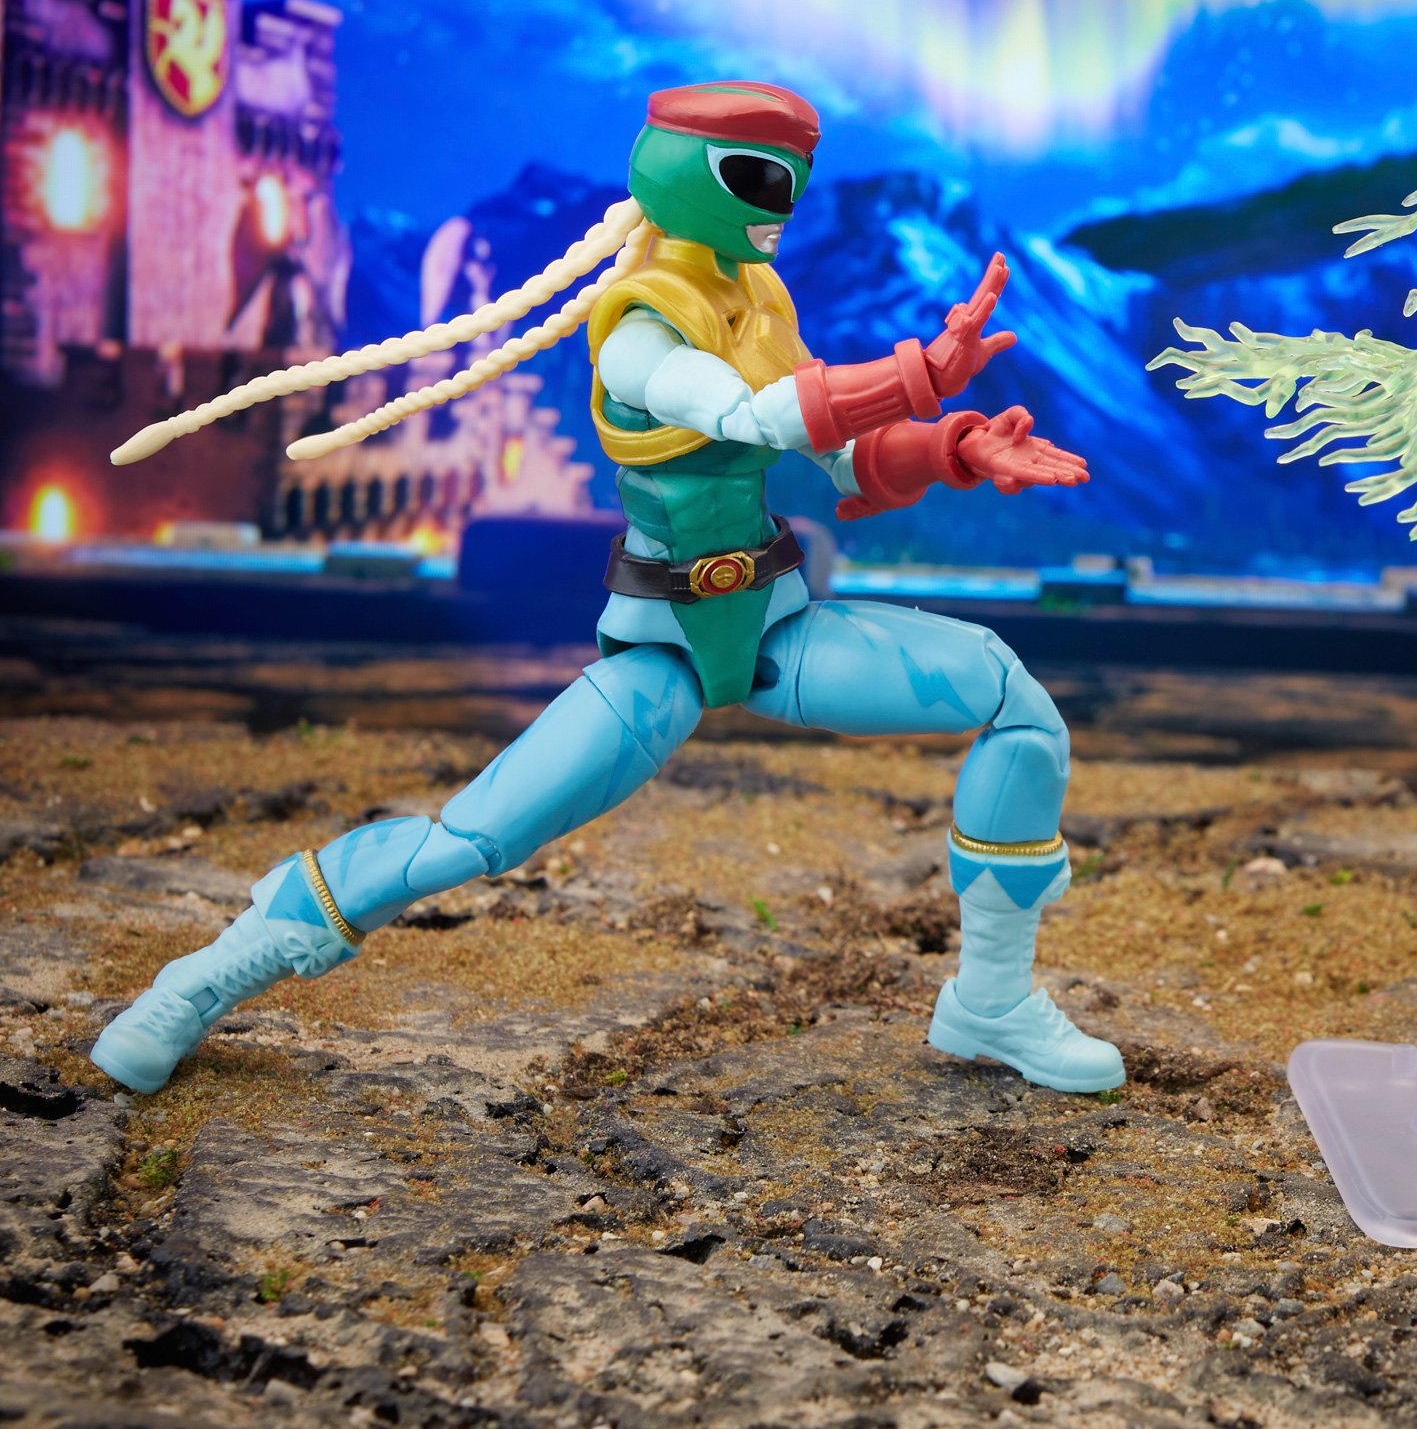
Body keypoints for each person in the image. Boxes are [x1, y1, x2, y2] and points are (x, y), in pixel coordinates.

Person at [91, 81, 1124, 1097]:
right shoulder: (639, 325)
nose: (784, 204)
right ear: (693, 176)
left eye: (795, 178)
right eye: (763, 176)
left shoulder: (758, 297)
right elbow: (753, 416)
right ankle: (202, 980)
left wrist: (952, 447)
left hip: (775, 621)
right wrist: (917, 374)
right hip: (663, 648)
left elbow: (840, 455)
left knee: (1013, 700)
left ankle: (990, 1000)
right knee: (469, 840)